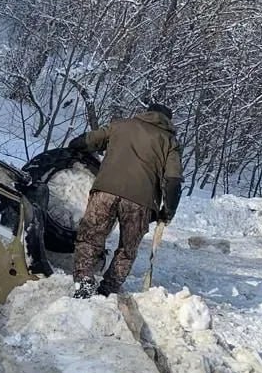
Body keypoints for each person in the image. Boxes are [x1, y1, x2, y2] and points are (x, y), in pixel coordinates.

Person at [66, 102, 183, 298]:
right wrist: (168, 211)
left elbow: (88, 140)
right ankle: (108, 290)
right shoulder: (170, 142)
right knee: (127, 249)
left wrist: (74, 148)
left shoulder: (121, 125)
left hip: (106, 192)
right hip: (140, 202)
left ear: (147, 113)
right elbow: (173, 180)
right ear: (168, 121)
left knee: (90, 237)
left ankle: (84, 281)